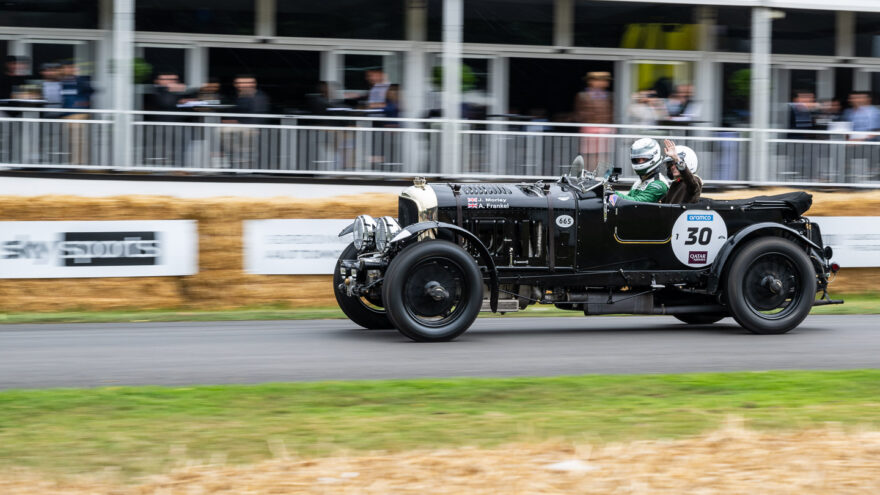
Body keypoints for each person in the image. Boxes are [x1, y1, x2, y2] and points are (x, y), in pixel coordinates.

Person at [609, 138, 669, 205]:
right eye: (637, 159)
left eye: (644, 159)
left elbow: (636, 203)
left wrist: (611, 193)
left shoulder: (658, 184)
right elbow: (627, 200)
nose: (640, 162)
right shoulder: (639, 181)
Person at [661, 139, 702, 204]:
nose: (672, 167)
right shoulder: (675, 184)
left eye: (675, 164)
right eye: (671, 164)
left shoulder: (693, 182)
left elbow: (690, 181)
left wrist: (677, 159)